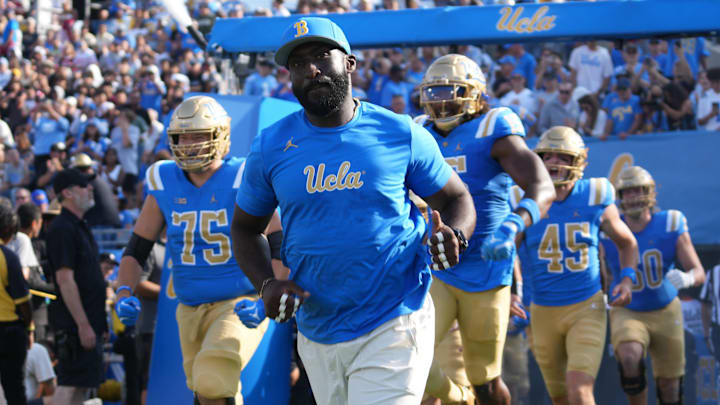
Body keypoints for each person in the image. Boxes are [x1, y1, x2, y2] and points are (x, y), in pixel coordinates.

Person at [231, 17, 476, 405]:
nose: (310, 69)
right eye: (297, 62)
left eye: (321, 56)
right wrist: (266, 284)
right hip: (317, 327)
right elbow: (245, 229)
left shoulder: (400, 133)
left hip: (395, 315)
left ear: (350, 63)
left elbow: (456, 198)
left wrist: (456, 234)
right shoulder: (271, 146)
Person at [114, 95, 277, 405]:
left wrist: (272, 293)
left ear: (221, 136)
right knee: (207, 390)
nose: (189, 143)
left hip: (239, 300)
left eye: (199, 135)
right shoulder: (163, 180)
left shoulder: (243, 176)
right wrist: (123, 290)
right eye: (183, 136)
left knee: (213, 376)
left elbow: (280, 240)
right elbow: (137, 248)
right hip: (188, 306)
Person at [417, 54, 555, 405]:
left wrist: (513, 223)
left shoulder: (493, 128)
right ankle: (457, 398)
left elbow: (543, 186)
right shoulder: (418, 130)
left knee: (485, 379)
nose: (442, 101)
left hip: (485, 266)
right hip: (436, 267)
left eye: (451, 92)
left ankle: (468, 395)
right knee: (409, 355)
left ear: (475, 94)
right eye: (434, 92)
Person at [514, 126, 639, 405]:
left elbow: (627, 243)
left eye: (563, 157)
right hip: (542, 311)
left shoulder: (595, 195)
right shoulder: (523, 197)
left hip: (586, 306)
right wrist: (514, 289)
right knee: (559, 398)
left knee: (579, 392)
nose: (554, 163)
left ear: (578, 161)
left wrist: (627, 278)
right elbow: (508, 248)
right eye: (548, 157)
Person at [600, 166, 705, 405]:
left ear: (649, 193)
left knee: (669, 386)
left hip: (665, 308)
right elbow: (600, 271)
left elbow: (699, 271)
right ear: (619, 196)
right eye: (627, 192)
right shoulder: (608, 229)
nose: (633, 196)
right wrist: (601, 293)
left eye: (638, 190)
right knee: (629, 356)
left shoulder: (670, 223)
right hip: (628, 308)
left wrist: (688, 278)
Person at [46, 168, 107, 405]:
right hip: (74, 326)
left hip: (88, 322)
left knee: (82, 386)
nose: (90, 188)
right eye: (84, 185)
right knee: (69, 385)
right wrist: (82, 325)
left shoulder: (80, 225)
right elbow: (65, 280)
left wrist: (97, 322)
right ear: (68, 193)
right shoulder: (62, 228)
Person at [0, 196, 32, 405]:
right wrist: (29, 327)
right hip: (10, 331)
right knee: (14, 389)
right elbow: (23, 302)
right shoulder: (8, 257)